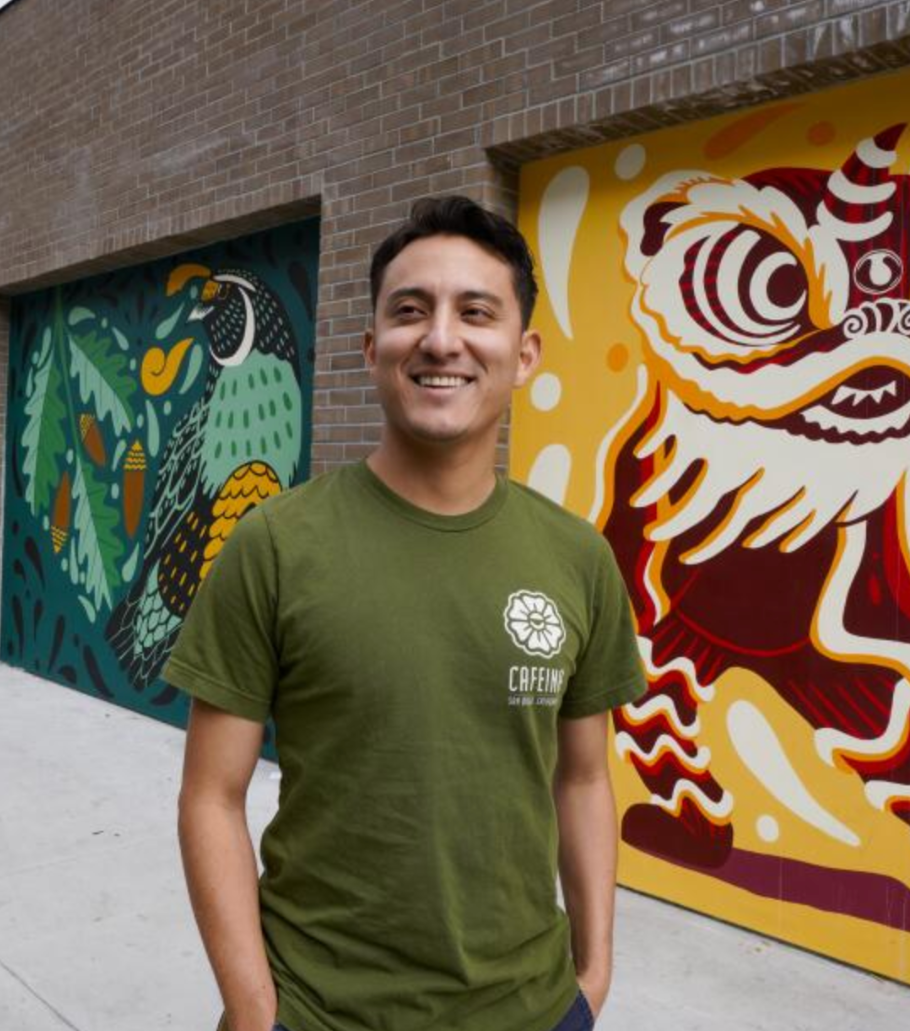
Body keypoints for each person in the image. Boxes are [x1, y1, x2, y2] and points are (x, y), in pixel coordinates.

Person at [167, 196, 646, 1031]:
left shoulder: (576, 557)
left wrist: (593, 974)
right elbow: (211, 793)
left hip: (531, 1010)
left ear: (523, 353)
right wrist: (251, 1009)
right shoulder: (276, 545)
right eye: (409, 311)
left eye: (476, 312)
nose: (440, 339)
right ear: (370, 347)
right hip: (317, 1010)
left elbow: (583, 776)